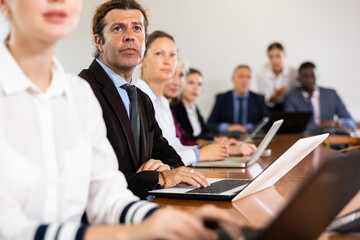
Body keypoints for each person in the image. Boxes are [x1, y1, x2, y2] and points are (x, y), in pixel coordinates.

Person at [0, 0, 242, 239]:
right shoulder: (87, 87)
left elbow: (106, 193)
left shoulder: (76, 93)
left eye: (137, 28)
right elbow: (8, 227)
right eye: (118, 28)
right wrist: (131, 232)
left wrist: (166, 220)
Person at [78, 0, 208, 199]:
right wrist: (160, 178)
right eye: (118, 28)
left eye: (137, 28)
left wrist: (165, 168)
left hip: (143, 206)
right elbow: (90, 181)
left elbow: (169, 155)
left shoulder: (142, 99)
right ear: (99, 41)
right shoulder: (82, 91)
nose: (130, 36)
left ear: (144, 40)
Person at [137, 30, 232, 166]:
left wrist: (210, 150)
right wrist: (199, 154)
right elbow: (154, 158)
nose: (168, 61)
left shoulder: (163, 101)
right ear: (142, 59)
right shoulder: (136, 98)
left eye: (173, 55)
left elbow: (175, 147)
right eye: (159, 54)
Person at [284, 61, 357, 131]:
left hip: (331, 139)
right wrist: (321, 126)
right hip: (305, 140)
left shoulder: (332, 94)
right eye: (306, 77)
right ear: (299, 79)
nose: (310, 80)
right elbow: (290, 125)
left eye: (313, 76)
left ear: (318, 76)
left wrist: (337, 123)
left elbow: (352, 123)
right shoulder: (291, 96)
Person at [207, 65, 270, 134]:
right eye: (241, 76)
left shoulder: (258, 98)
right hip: (227, 138)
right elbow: (210, 124)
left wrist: (247, 127)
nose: (245, 80)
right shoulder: (222, 98)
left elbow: (267, 122)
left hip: (251, 137)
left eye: (248, 77)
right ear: (233, 79)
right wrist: (228, 127)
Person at [257, 42, 297, 111]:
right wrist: (277, 95)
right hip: (269, 108)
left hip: (289, 107)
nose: (275, 61)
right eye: (271, 57)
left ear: (285, 55)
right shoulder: (261, 72)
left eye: (278, 56)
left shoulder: (293, 72)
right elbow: (266, 100)